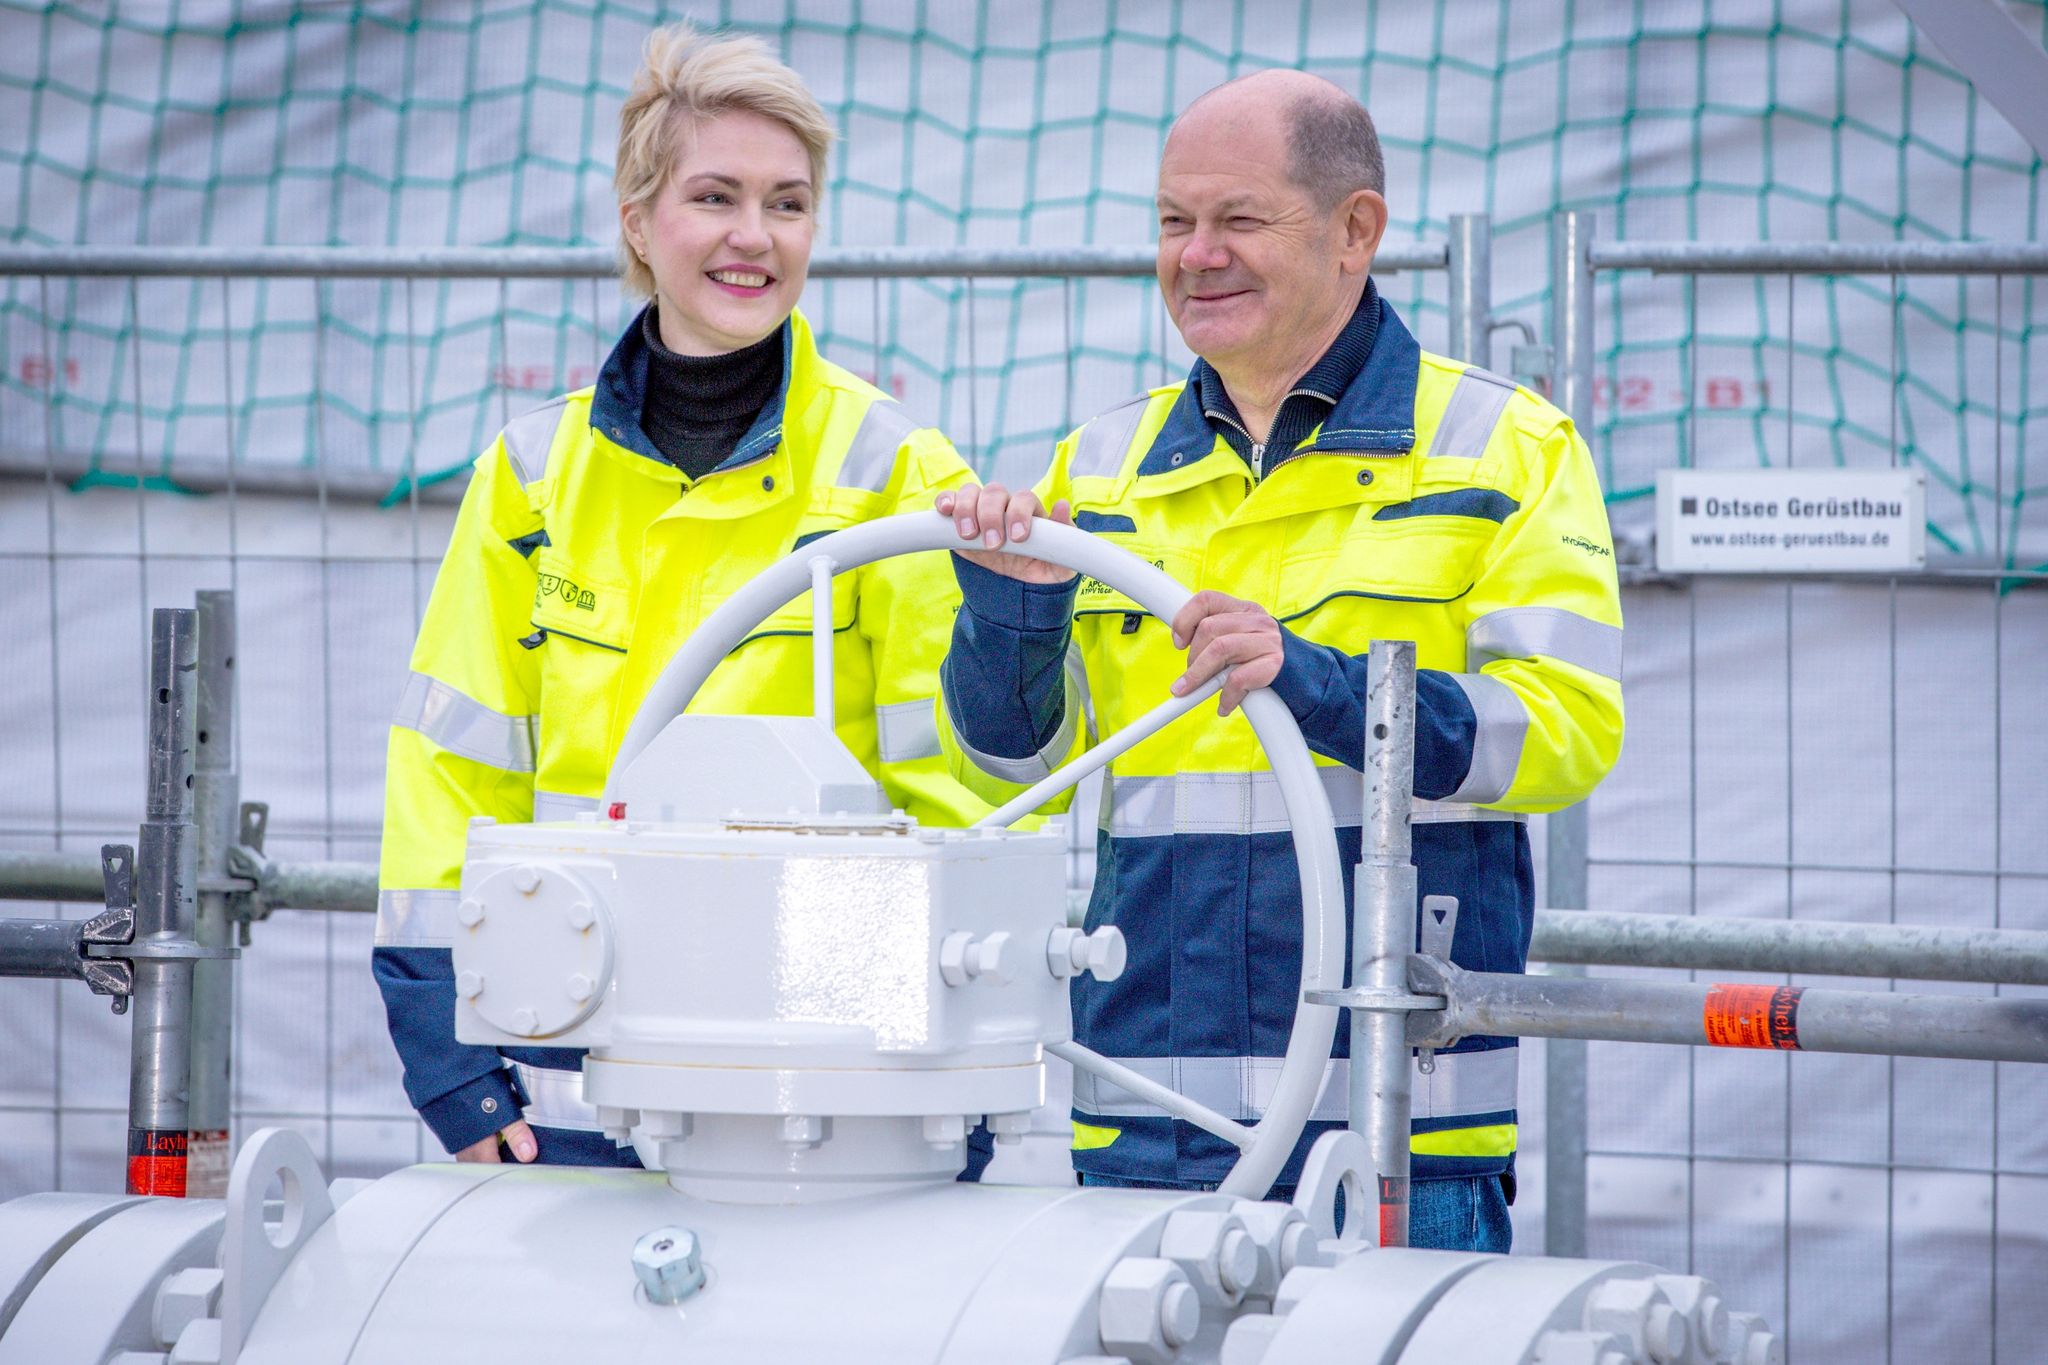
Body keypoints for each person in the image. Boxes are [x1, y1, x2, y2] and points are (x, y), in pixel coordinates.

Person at [933, 70, 1623, 1251]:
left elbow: (1558, 734)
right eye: (1170, 222)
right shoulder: (1093, 464)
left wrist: (1314, 682)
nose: (1194, 255)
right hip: (1143, 1109)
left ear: (1355, 231)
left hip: (1396, 1122)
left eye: (1236, 220)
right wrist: (1009, 620)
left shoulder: (1506, 446)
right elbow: (1015, 766)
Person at [374, 22, 990, 1173]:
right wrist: (451, 1071)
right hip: (569, 1072)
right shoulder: (528, 477)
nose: (754, 238)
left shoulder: (899, 474)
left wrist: (899, 1077)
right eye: (715, 197)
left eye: (789, 203)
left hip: (814, 1090)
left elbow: (942, 798)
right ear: (637, 222)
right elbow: (447, 773)